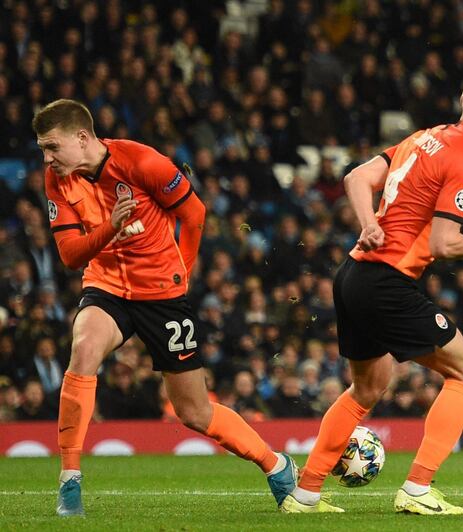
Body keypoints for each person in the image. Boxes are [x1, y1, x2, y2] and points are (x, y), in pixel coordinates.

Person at [33, 99, 298, 517]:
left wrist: (184, 273)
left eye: (51, 146)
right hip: (107, 286)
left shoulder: (142, 162)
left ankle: (277, 465)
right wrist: (111, 226)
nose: (47, 157)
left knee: (193, 412)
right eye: (43, 149)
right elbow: (69, 255)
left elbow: (194, 215)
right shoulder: (57, 180)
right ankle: (69, 483)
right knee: (83, 350)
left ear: (81, 137)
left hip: (162, 294)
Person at [280, 66, 463, 514]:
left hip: (352, 275)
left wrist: (369, 222)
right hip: (387, 282)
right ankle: (417, 488)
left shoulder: (423, 137)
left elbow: (355, 177)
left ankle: (306, 493)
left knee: (367, 388)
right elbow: (444, 244)